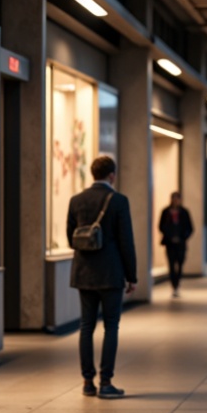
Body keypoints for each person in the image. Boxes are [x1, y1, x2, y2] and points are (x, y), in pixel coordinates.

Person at [67, 154, 137, 399]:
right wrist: (132, 276)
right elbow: (126, 241)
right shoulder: (118, 201)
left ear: (92, 174)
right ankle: (106, 381)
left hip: (84, 273)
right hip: (111, 273)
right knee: (111, 326)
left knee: (86, 326)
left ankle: (88, 381)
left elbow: (70, 238)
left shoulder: (76, 200)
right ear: (112, 176)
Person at [158, 191, 193, 298]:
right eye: (174, 198)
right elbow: (161, 226)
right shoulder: (165, 212)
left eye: (178, 199)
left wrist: (183, 237)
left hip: (181, 243)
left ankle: (177, 282)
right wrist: (169, 236)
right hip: (170, 243)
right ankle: (174, 285)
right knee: (171, 264)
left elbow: (190, 228)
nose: (176, 201)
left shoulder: (184, 212)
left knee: (180, 262)